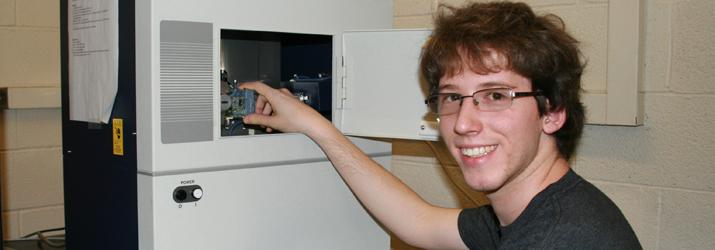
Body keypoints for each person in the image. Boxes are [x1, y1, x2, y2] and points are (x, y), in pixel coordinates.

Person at [241, 1, 642, 249]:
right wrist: (318, 127)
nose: (464, 123)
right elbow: (420, 223)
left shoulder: (560, 237)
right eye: (452, 97)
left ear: (552, 112)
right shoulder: (537, 211)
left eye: (496, 95)